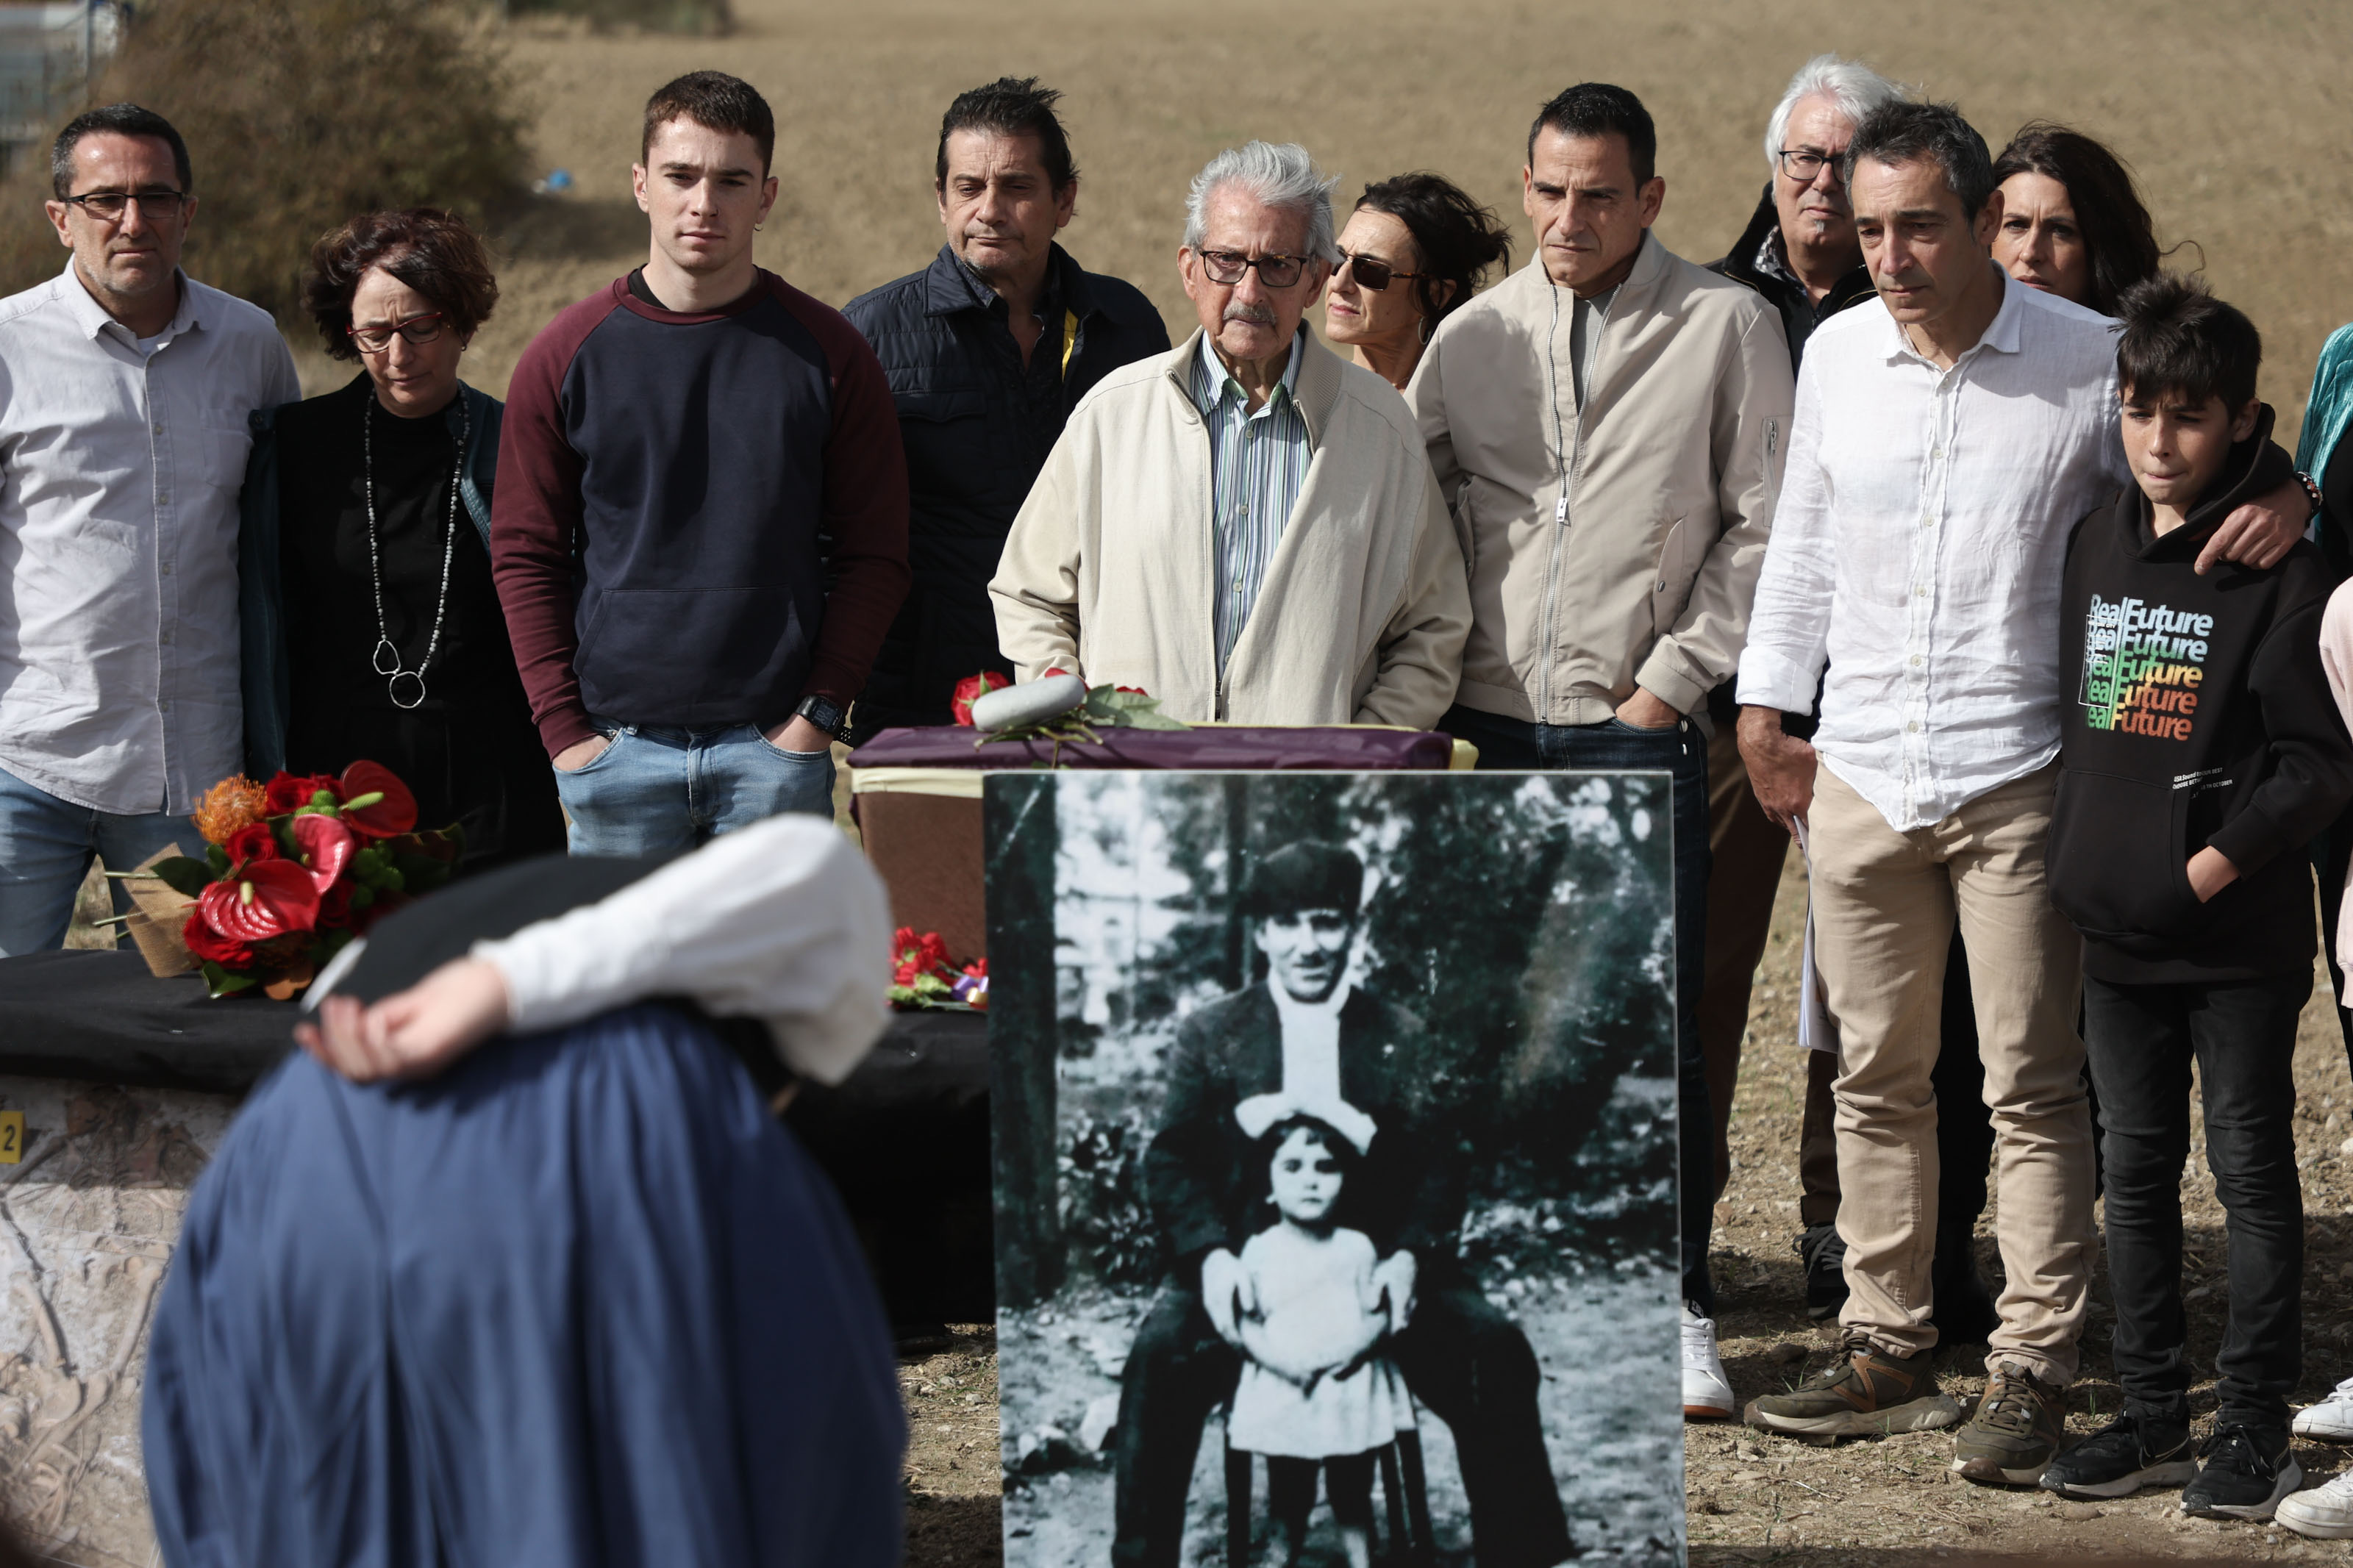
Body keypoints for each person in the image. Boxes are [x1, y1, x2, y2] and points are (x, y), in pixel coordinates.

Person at [1735, 101, 2310, 1483]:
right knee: (1872, 1073)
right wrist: (1767, 701)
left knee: (2033, 1085)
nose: (1892, 255)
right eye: (1870, 229)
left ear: (1982, 215)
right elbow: (1804, 540)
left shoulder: (2086, 362)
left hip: (2022, 774)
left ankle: (2033, 1366)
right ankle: (1884, 1335)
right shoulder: (1835, 357)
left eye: (1921, 225)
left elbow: (2195, 474)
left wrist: (2290, 490)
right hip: (1863, 764)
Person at [141, 812, 907, 1567]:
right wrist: (502, 985)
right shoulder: (760, 972)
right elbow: (817, 861)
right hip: (578, 1140)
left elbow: (202, 1424)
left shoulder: (388, 956)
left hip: (297, 1150)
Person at [1408, 81, 1794, 1421]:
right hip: (1489, 730)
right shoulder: (1466, 338)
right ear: (1524, 189)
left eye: (1599, 194)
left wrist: (1668, 686)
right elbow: (1412, 519)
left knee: (1654, 1026)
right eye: (1550, 190)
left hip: (1635, 731)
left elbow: (1764, 525)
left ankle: (1674, 1298)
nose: (1569, 218)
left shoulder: (1729, 326)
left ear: (1651, 199)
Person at [2036, 276, 2348, 1517]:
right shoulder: (2097, 539)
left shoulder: (2285, 568)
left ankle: (2256, 1423)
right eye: (2139, 411)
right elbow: (2090, 723)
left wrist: (2207, 867)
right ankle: (2155, 1412)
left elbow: (2319, 763)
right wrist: (2094, 864)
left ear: (2246, 421)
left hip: (2236, 941)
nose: (2159, 441)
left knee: (2254, 1173)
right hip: (2113, 937)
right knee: (2140, 1172)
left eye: (2188, 417)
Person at [1111, 842, 1570, 1568]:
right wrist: (1206, 1260)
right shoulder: (1212, 1033)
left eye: (1325, 923)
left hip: (1374, 1265)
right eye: (1287, 924)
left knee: (1491, 1349)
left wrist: (1411, 1258)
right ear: (1261, 932)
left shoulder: (1397, 1033)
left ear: (1351, 932)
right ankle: (1140, 1561)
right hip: (1244, 1262)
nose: (1307, 944)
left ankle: (1524, 1553)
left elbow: (1440, 1162)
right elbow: (1172, 1157)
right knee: (1157, 1361)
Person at [493, 71, 910, 853]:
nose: (703, 203)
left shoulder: (828, 355)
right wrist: (565, 734)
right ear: (641, 184)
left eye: (731, 180)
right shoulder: (563, 356)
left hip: (772, 757)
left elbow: (876, 555)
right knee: (626, 983)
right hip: (612, 756)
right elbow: (524, 556)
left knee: (769, 983)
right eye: (681, 176)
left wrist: (814, 721)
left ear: (768, 196)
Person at [990, 141, 1468, 728]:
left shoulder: (1383, 431)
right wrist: (1074, 723)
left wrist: (1361, 752)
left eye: (1277, 265)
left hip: (1304, 804)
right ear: (1190, 270)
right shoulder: (1110, 417)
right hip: (1133, 792)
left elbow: (1433, 629)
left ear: (1315, 280)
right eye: (1226, 261)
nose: (1249, 291)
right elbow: (1029, 595)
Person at [1701, 54, 1904, 1322]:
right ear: (1771, 169)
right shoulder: (1706, 307)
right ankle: (1686, 1227)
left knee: (1861, 985)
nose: (1820, 182)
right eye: (1801, 158)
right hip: (1732, 695)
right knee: (1707, 968)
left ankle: (1845, 1228)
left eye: (1845, 160)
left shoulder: (1918, 311)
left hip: (1879, 692)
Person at [0, 104, 298, 955]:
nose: (134, 220)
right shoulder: (7, 348)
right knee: (9, 1026)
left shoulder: (251, 344)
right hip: (25, 763)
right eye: (105, 200)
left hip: (194, 781)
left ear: (188, 212)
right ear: (60, 216)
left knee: (173, 1019)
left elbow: (279, 538)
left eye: (156, 196)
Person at [843, 77, 1168, 738]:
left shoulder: (1125, 327)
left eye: (1017, 187)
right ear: (941, 200)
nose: (989, 210)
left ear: (1064, 200)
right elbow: (832, 536)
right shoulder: (870, 337)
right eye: (968, 188)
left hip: (1094, 695)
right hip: (923, 700)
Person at [238, 208, 563, 867]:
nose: (399, 355)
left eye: (422, 327)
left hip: (494, 780)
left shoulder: (517, 442)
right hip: (337, 782)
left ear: (463, 321)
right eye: (375, 333)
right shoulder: (293, 446)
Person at [1225, 1106, 1413, 1568]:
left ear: (1346, 1179)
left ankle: (1360, 1555)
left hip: (1348, 1386)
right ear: (1268, 1186)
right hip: (1288, 1387)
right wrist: (1280, 1363)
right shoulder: (1260, 1250)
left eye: (1326, 1168)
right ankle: (1280, 1551)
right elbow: (1247, 1323)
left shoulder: (1356, 1247)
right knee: (1289, 1496)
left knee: (1352, 1492)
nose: (1310, 1181)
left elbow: (1380, 1315)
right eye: (1292, 1168)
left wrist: (1352, 1351)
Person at [1321, 172, 1510, 390]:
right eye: (1336, 259)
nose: (1338, 284)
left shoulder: (1469, 410)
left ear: (1435, 294)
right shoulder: (1307, 396)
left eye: (1371, 271)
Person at [1990, 124, 2161, 316]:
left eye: (2060, 230)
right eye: (2016, 225)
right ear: (1984, 231)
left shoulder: (2159, 346)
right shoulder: (1952, 342)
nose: (2030, 253)